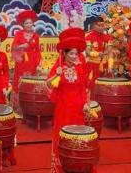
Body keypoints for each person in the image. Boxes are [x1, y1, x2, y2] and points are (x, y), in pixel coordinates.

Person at [46, 32, 89, 172]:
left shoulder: (79, 68)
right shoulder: (58, 67)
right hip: (63, 107)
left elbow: (83, 88)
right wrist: (56, 75)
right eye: (71, 54)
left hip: (77, 107)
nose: (74, 57)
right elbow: (48, 84)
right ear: (64, 54)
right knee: (62, 135)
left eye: (76, 54)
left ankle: (76, 165)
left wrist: (85, 104)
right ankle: (60, 167)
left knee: (77, 135)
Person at [11, 10, 41, 111]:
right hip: (21, 61)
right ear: (22, 24)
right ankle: (18, 106)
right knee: (20, 82)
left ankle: (29, 105)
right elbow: (13, 47)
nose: (29, 24)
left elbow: (37, 50)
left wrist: (38, 62)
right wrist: (21, 46)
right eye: (26, 23)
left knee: (30, 82)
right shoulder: (19, 34)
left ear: (33, 23)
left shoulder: (36, 36)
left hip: (32, 62)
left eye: (30, 22)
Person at [85, 17, 109, 84]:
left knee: (104, 86)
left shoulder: (107, 37)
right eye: (99, 25)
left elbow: (110, 52)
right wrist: (97, 54)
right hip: (92, 65)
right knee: (92, 84)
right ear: (93, 26)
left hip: (104, 65)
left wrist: (110, 64)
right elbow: (87, 52)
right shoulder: (88, 37)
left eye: (103, 25)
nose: (101, 27)